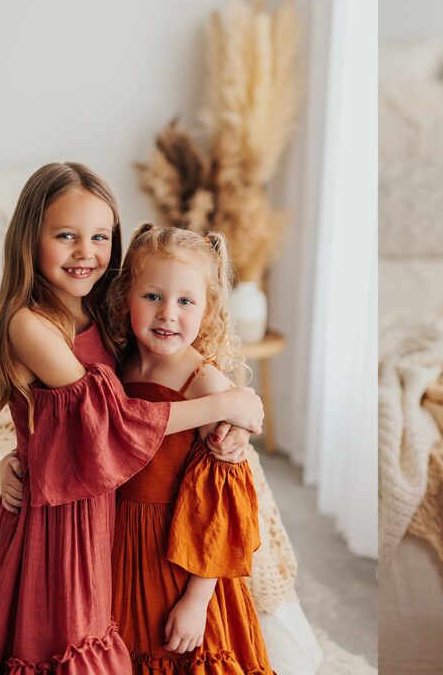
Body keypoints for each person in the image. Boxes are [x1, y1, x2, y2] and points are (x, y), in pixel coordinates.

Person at [0, 163, 263, 674]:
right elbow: (107, 420)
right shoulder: (27, 324)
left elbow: (65, 426)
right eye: (65, 236)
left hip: (103, 513)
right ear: (30, 240)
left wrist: (234, 430)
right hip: (61, 522)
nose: (85, 252)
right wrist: (228, 404)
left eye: (100, 237)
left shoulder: (101, 316)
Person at [105, 223, 271, 673]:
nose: (167, 314)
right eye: (153, 296)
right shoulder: (116, 365)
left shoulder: (205, 384)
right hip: (120, 543)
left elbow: (222, 508)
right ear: (126, 297)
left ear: (208, 309)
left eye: (185, 301)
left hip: (176, 557)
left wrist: (197, 599)